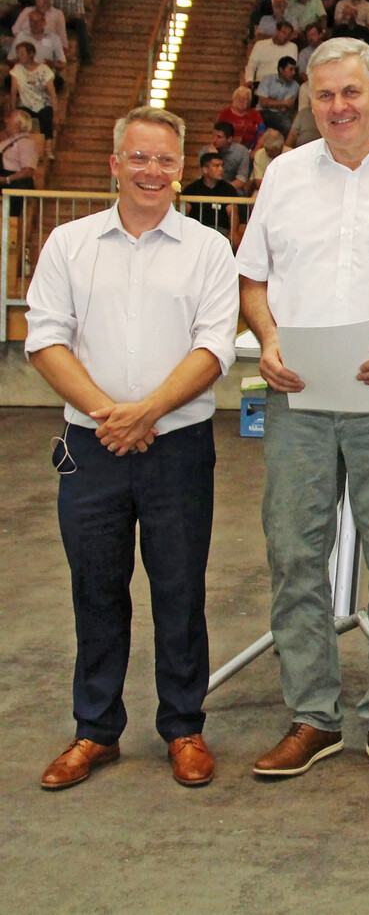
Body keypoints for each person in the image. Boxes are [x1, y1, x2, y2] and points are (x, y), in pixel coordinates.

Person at [236, 37, 369, 783]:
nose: (338, 108)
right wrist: (269, 338)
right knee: (294, 551)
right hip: (299, 394)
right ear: (307, 100)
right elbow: (252, 280)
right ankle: (313, 714)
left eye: (351, 93)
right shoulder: (284, 175)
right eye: (323, 96)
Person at [26, 106, 239, 791]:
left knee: (180, 591)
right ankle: (95, 730)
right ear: (115, 164)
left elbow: (213, 347)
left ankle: (184, 726)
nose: (152, 171)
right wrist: (107, 414)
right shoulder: (69, 243)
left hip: (177, 447)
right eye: (139, 158)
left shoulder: (209, 249)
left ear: (181, 170)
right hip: (91, 449)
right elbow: (46, 338)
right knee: (96, 589)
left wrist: (148, 411)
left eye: (165, 160)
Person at [10, 39, 57, 159]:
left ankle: (47, 149)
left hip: (42, 104)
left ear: (31, 54)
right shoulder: (17, 69)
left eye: (22, 53)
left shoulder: (44, 69)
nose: (19, 56)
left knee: (46, 116)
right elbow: (13, 92)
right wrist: (13, 109)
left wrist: (56, 111)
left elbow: (52, 92)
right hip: (26, 105)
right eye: (18, 54)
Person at [182, 150, 239, 238]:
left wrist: (233, 233)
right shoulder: (191, 189)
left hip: (220, 233)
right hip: (197, 233)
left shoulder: (228, 189)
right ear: (205, 169)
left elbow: (232, 213)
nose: (221, 169)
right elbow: (185, 212)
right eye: (216, 166)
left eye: (221, 166)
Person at [0, 108, 39, 214]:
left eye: (10, 118)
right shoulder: (7, 141)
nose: (6, 121)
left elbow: (28, 171)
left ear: (18, 124)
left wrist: (6, 179)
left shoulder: (26, 143)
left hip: (13, 182)